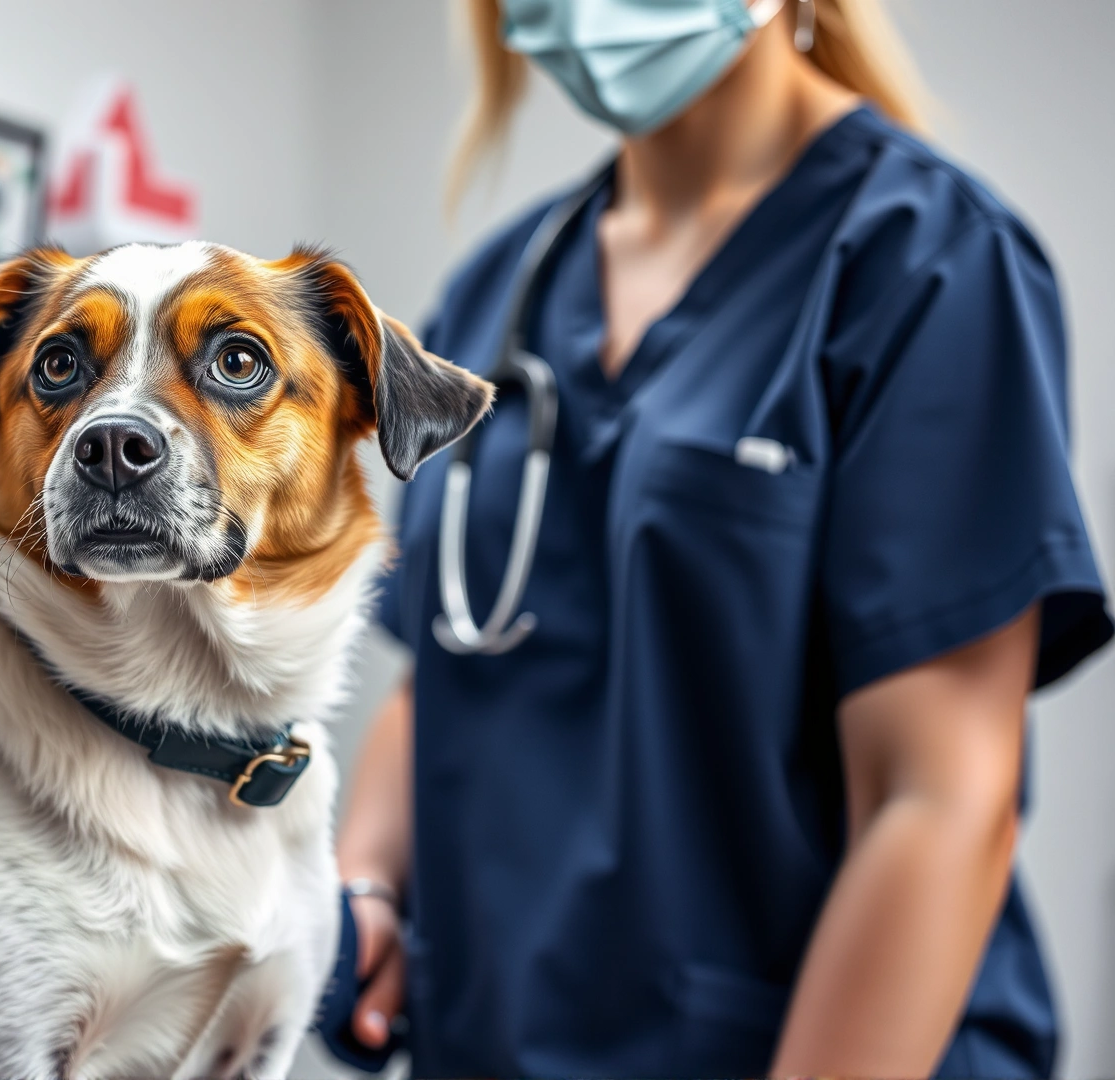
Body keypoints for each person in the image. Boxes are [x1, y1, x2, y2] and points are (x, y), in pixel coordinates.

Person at [334, 0, 1113, 1075]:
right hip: (497, 1037)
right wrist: (364, 883)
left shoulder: (926, 260)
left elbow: (938, 800)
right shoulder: (496, 291)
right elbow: (446, 668)